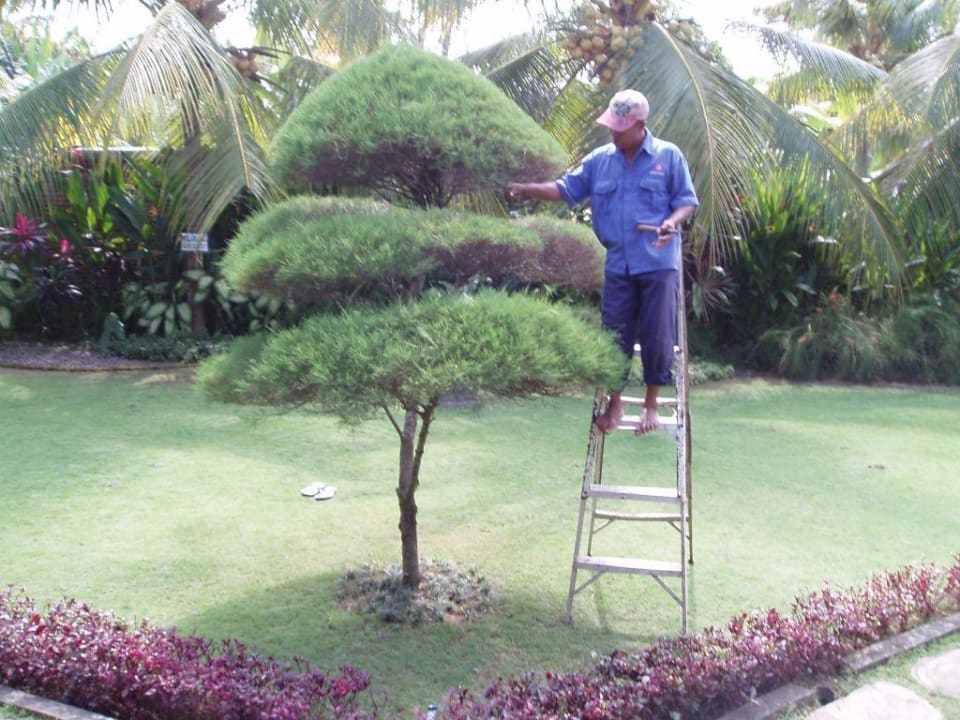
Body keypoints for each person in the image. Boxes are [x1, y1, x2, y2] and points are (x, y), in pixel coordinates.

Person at [508, 89, 698, 435]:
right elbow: (566, 189)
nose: (612, 131)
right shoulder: (600, 160)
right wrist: (527, 189)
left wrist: (672, 222)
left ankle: (651, 405)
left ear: (640, 125)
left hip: (658, 262)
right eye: (610, 124)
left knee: (657, 334)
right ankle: (615, 403)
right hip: (619, 263)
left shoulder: (668, 157)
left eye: (619, 127)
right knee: (613, 336)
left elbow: (686, 201)